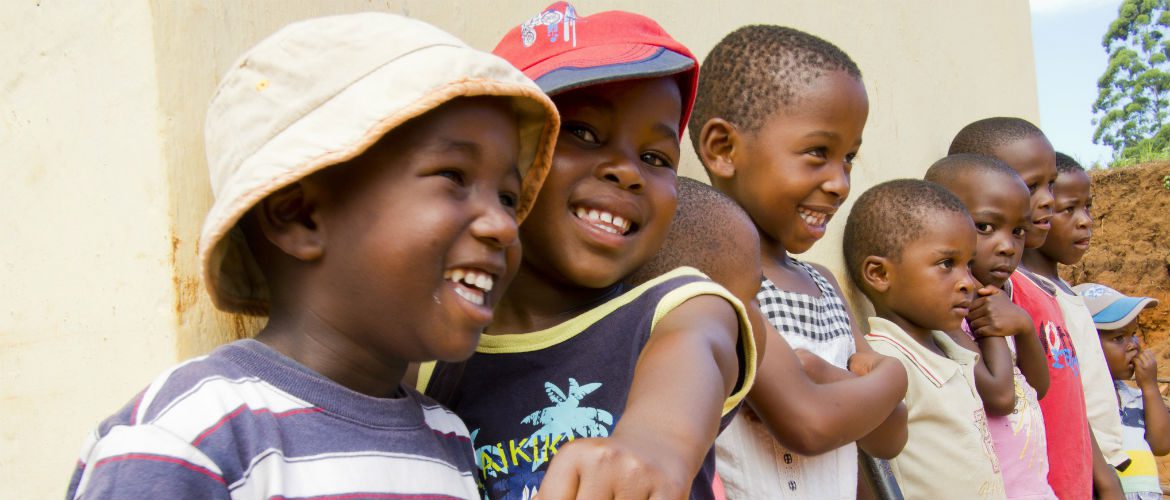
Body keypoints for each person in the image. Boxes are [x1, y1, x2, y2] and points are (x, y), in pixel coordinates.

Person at [65, 13, 560, 500]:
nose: (502, 225)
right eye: (453, 176)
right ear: (299, 217)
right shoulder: (195, 433)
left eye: (508, 198)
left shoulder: (448, 441)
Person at [418, 4, 756, 499]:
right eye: (581, 132)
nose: (626, 170)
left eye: (655, 157)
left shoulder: (679, 311)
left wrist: (655, 447)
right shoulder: (434, 354)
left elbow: (698, 354)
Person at [687, 24, 908, 499]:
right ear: (723, 150)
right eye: (818, 153)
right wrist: (890, 376)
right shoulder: (711, 285)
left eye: (848, 158)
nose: (840, 183)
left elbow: (889, 438)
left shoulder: (825, 285)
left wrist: (840, 381)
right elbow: (809, 424)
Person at [949, 117, 1121, 499]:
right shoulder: (971, 300)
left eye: (1051, 184)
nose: (1048, 199)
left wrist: (1102, 472)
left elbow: (1055, 388)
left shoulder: (1033, 294)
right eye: (1033, 186)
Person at [845, 179, 1006, 500]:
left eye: (968, 265)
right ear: (879, 274)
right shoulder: (886, 360)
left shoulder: (950, 348)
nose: (968, 283)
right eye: (947, 264)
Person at [925, 154, 1057, 499]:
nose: (1008, 246)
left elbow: (1038, 388)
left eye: (1018, 232)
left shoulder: (1001, 300)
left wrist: (1025, 327)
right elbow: (1000, 397)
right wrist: (993, 327)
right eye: (985, 227)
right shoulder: (944, 314)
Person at [1077, 283, 1169, 500]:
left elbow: (1161, 444)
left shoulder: (1133, 396)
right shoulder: (1082, 397)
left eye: (1133, 334)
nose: (1133, 346)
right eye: (1118, 338)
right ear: (1083, 343)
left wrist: (1150, 387)